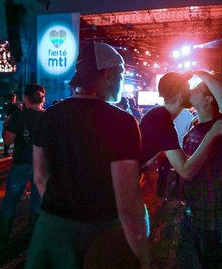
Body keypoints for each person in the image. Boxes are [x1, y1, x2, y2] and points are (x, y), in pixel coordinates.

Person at [25, 42, 150, 269]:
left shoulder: (49, 116)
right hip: (101, 234)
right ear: (109, 74)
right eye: (122, 73)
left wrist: (60, 214)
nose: (123, 80)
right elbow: (128, 203)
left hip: (51, 230)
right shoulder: (122, 122)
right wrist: (142, 255)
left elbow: (40, 177)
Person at [177, 71, 222, 269]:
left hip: (216, 221)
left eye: (197, 88)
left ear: (209, 99)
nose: (191, 89)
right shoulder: (195, 125)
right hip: (193, 216)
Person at [139, 71, 222, 183]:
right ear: (179, 93)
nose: (191, 90)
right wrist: (212, 134)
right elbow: (186, 172)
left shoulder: (159, 115)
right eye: (188, 87)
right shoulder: (161, 120)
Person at [0, 85, 45, 250]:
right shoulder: (48, 117)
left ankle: (3, 242)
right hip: (41, 166)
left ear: (26, 98)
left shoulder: (18, 116)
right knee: (38, 203)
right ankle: (33, 241)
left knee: (10, 201)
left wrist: (8, 125)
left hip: (21, 163)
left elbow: (7, 141)